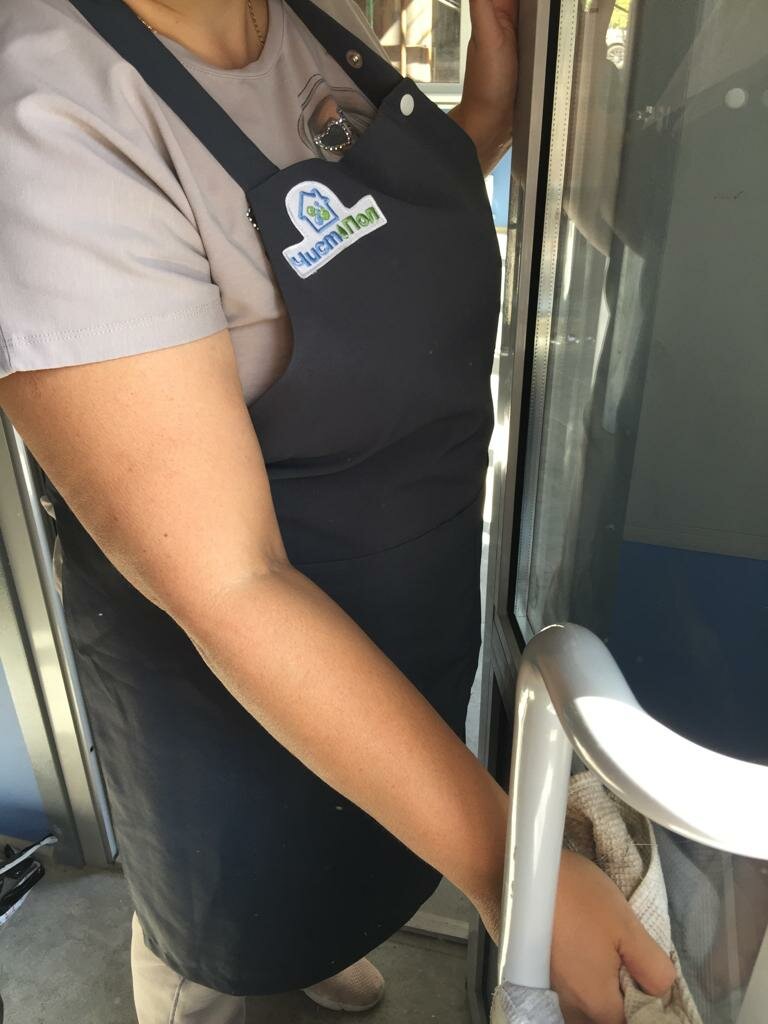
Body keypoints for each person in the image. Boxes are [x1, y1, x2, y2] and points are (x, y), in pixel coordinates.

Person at [0, 0, 676, 1021]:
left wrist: (487, 116)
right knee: (222, 918)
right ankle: (203, 984)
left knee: (359, 848)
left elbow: (348, 237)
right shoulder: (46, 118)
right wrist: (510, 870)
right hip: (221, 675)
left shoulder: (316, 15)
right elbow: (229, 583)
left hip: (403, 609)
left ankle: (316, 940)